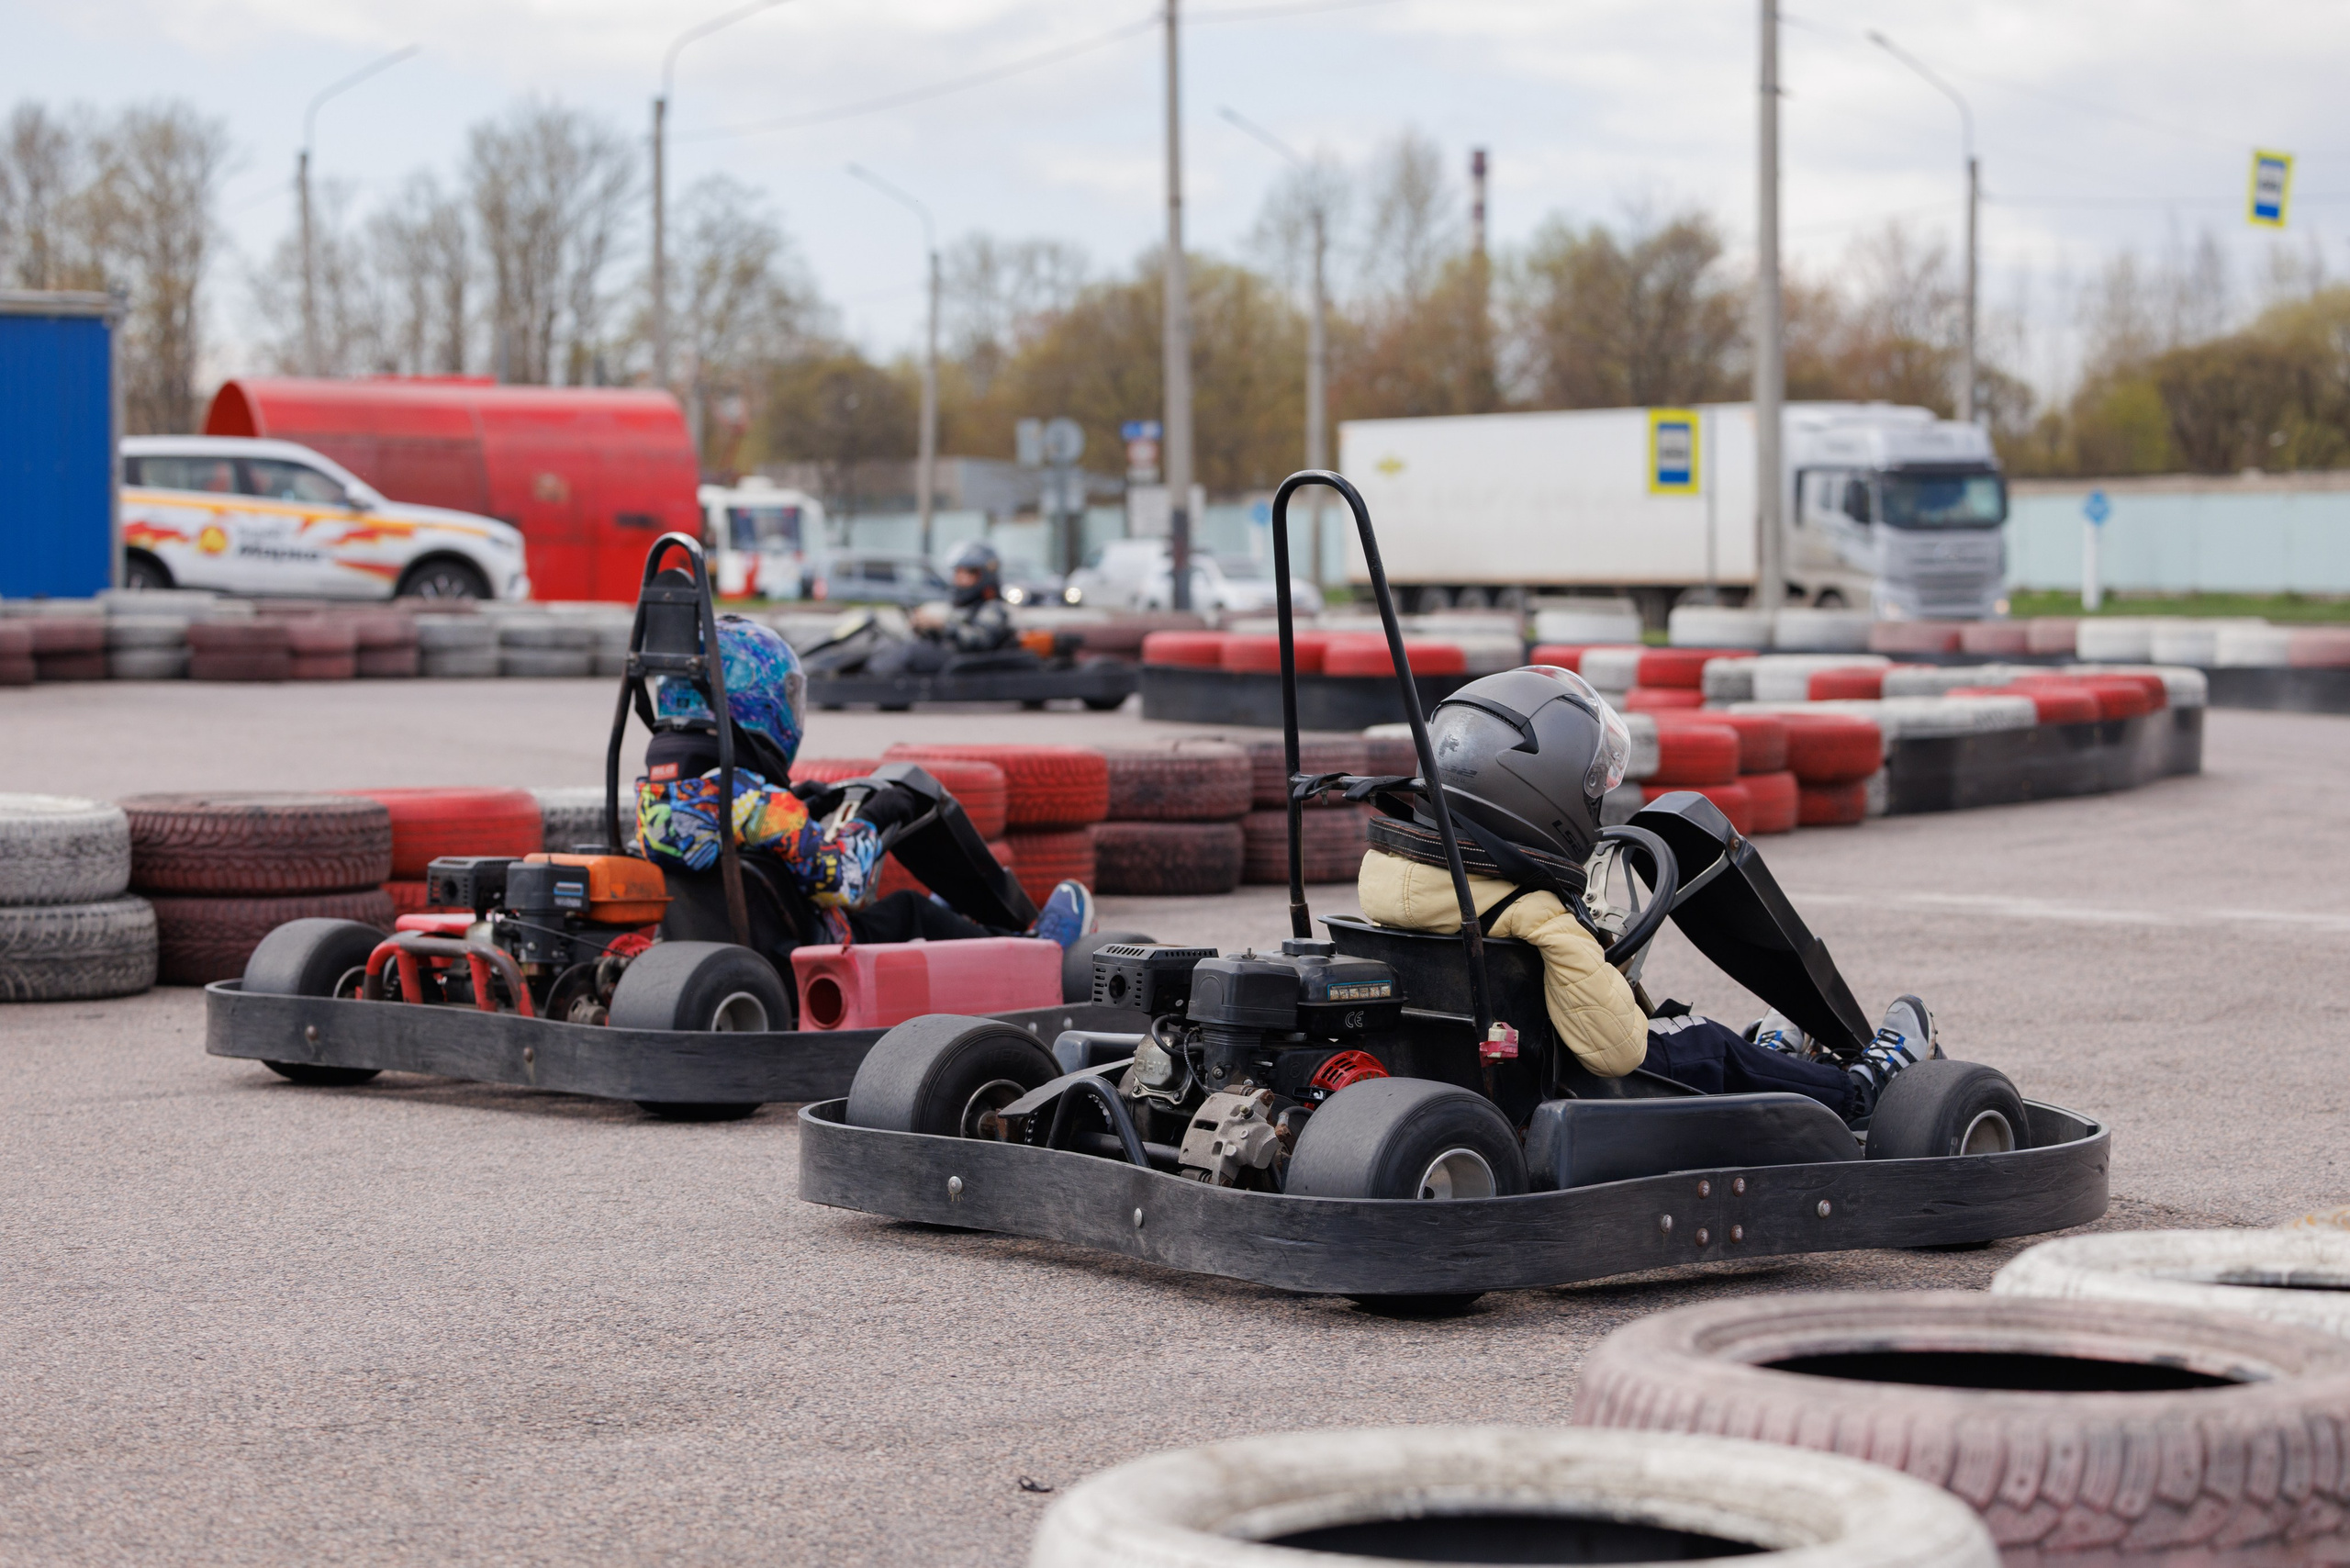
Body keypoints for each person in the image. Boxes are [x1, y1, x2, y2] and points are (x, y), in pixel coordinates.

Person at [1353, 664, 1933, 1125]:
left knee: (1704, 1040)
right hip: (1580, 1080)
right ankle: (1857, 1092)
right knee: (1705, 1042)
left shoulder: (1392, 881)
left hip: (1486, 1060)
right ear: (1543, 796)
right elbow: (1618, 1052)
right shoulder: (1539, 919)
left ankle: (1778, 1068)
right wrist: (1599, 948)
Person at [633, 613, 1096, 955]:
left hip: (730, 954)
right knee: (910, 912)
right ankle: (1038, 953)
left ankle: (973, 929)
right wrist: (875, 819)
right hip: (802, 959)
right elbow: (843, 882)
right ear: (755, 704)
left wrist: (797, 804)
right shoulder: (754, 804)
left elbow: (747, 840)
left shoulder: (662, 799)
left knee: (920, 909)